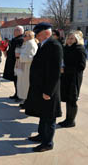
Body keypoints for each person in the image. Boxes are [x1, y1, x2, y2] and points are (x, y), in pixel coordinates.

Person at [25, 22, 63, 152]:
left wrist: (48, 91)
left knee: (49, 117)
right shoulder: (44, 44)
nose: (37, 36)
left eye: (38, 34)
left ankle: (48, 143)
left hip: (49, 89)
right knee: (43, 114)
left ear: (46, 32)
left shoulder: (54, 46)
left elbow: (55, 71)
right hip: (41, 87)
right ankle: (42, 136)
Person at [58, 31, 86, 128]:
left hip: (74, 77)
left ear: (77, 39)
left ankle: (71, 121)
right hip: (65, 76)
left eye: (72, 38)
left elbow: (81, 66)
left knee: (72, 99)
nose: (69, 40)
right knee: (67, 98)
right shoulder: (65, 48)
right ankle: (67, 119)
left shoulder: (79, 49)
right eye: (68, 38)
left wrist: (65, 69)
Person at [15, 30, 38, 109]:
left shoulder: (31, 44)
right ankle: (25, 100)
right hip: (23, 67)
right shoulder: (26, 43)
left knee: (26, 86)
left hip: (28, 68)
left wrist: (20, 56)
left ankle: (28, 102)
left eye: (25, 35)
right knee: (23, 86)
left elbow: (31, 58)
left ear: (30, 36)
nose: (23, 37)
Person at [3, 26, 24, 101]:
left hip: (17, 62)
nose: (13, 32)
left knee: (18, 80)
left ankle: (20, 95)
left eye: (15, 30)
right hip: (12, 61)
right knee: (15, 80)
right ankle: (16, 93)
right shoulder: (15, 39)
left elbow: (18, 51)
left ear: (19, 31)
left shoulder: (21, 39)